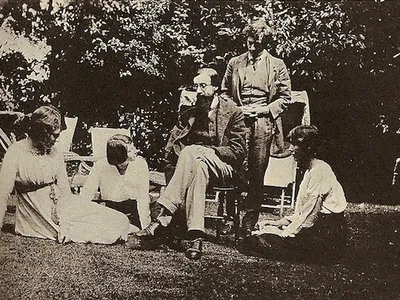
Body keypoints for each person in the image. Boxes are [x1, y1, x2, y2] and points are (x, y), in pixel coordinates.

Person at [136, 68, 247, 260]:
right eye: (196, 86)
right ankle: (196, 237)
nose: (198, 90)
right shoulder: (189, 113)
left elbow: (238, 151)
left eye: (203, 86)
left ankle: (161, 213)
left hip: (224, 166)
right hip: (196, 166)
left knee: (191, 151)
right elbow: (172, 145)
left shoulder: (233, 112)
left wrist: (210, 151)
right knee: (198, 168)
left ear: (216, 88)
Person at [0, 105, 132, 244]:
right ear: (40, 132)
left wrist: (64, 222)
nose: (56, 140)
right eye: (54, 135)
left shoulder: (54, 152)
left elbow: (64, 191)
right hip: (37, 216)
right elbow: (2, 194)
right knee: (104, 231)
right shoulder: (16, 152)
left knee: (120, 220)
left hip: (63, 207)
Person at [221, 18, 292, 237]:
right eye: (250, 42)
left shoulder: (277, 65)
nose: (252, 48)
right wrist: (238, 110)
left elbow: (285, 98)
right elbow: (223, 92)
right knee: (234, 169)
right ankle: (229, 218)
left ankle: (249, 220)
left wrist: (262, 111)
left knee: (257, 172)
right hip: (238, 122)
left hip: (263, 123)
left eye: (257, 45)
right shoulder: (235, 63)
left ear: (265, 43)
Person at [239, 125, 348, 262]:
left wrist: (283, 233)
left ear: (308, 148)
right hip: (316, 230)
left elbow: (310, 216)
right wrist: (277, 223)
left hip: (325, 235)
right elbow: (302, 213)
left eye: (295, 145)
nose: (291, 149)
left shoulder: (320, 172)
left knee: (253, 242)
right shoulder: (311, 170)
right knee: (253, 240)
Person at [80, 134, 151, 232]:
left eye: (133, 147)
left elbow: (143, 197)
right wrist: (79, 217)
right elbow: (87, 193)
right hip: (111, 210)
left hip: (134, 209)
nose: (136, 151)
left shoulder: (141, 164)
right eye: (130, 150)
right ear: (119, 155)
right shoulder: (101, 165)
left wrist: (145, 227)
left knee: (134, 229)